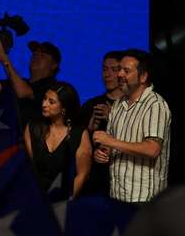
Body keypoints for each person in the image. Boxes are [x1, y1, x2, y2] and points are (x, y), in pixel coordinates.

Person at [92, 50, 171, 204]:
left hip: (144, 199)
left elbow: (152, 149)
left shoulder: (155, 105)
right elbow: (110, 144)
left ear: (143, 77)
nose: (119, 74)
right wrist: (102, 152)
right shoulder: (118, 104)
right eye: (119, 69)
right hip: (117, 195)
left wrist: (110, 142)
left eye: (126, 71)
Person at [24, 83, 92, 199]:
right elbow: (29, 168)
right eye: (44, 99)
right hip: (34, 196)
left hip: (64, 199)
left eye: (51, 102)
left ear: (63, 108)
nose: (44, 104)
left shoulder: (79, 134)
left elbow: (82, 175)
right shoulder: (33, 127)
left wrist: (65, 200)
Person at [0, 39, 62, 130]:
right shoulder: (21, 82)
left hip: (34, 137)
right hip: (11, 136)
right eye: (34, 54)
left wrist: (3, 58)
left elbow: (22, 92)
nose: (36, 56)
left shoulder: (53, 88)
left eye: (42, 55)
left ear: (54, 65)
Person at [77, 51, 125, 196]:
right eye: (105, 69)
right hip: (94, 183)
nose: (107, 74)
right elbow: (77, 145)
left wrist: (112, 118)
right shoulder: (90, 105)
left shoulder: (132, 105)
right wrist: (90, 129)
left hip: (123, 181)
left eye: (114, 69)